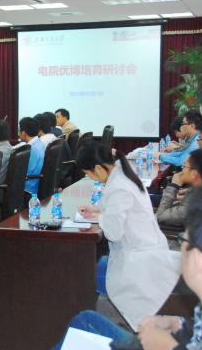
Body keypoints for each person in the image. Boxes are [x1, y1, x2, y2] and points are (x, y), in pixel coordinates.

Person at [54, 170, 202, 350]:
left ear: (198, 260)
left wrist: (169, 347)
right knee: (86, 320)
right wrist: (179, 325)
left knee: (85, 323)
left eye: (184, 239)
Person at [76, 141, 180, 330]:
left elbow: (114, 233)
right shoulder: (121, 173)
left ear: (98, 168)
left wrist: (100, 217)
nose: (90, 178)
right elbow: (115, 208)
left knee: (86, 273)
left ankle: (103, 325)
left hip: (139, 258)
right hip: (146, 246)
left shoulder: (119, 186)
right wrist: (96, 210)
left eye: (88, 174)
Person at [156, 149, 202, 226]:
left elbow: (159, 217)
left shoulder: (196, 203)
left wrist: (173, 186)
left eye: (184, 166)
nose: (182, 170)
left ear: (194, 173)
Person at [18, 117, 45, 197]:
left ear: (24, 133)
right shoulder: (39, 143)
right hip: (37, 184)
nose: (18, 134)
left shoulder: (32, 149)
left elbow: (25, 172)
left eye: (19, 131)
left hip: (29, 188)